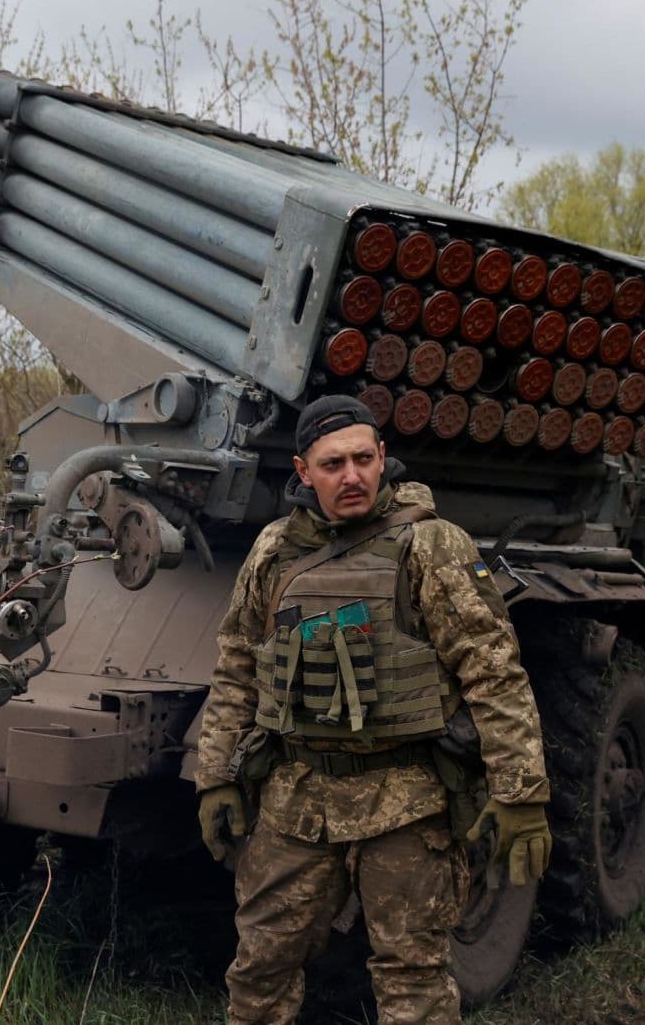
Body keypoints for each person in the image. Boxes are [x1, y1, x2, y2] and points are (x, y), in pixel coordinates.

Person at [192, 394, 552, 1025]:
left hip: (407, 803)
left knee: (413, 981)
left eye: (363, 458)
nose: (352, 475)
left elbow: (493, 670)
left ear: (384, 459)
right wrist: (216, 776)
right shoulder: (274, 550)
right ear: (304, 472)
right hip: (296, 801)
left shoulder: (431, 546)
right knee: (259, 973)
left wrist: (520, 792)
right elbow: (238, 667)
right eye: (333, 464)